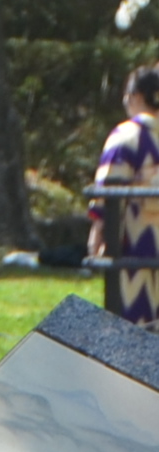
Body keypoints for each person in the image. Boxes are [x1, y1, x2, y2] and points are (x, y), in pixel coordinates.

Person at [95, 65, 159, 325]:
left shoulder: (126, 136)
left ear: (136, 96)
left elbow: (107, 191)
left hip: (133, 246)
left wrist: (98, 231)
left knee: (130, 327)